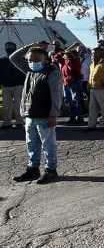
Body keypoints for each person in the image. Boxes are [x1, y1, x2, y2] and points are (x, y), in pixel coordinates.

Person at [10, 43, 63, 184]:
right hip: (29, 115)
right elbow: (13, 57)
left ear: (45, 59)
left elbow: (56, 95)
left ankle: (51, 170)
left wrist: (53, 114)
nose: (32, 63)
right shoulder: (30, 70)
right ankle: (33, 169)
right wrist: (31, 45)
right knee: (31, 144)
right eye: (30, 60)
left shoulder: (52, 72)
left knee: (48, 145)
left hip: (45, 116)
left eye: (36, 60)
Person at [0, 42, 26, 129]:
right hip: (6, 85)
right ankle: (7, 122)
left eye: (10, 47)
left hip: (18, 84)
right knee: (7, 105)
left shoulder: (20, 59)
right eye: (8, 47)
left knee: (18, 105)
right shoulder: (2, 60)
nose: (9, 49)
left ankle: (19, 121)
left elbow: (24, 71)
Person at [60, 50, 83, 124]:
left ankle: (79, 117)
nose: (64, 56)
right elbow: (56, 56)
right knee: (69, 101)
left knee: (76, 100)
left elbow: (73, 70)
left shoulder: (75, 61)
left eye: (67, 55)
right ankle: (72, 116)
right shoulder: (65, 62)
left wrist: (69, 60)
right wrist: (66, 51)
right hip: (67, 83)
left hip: (74, 82)